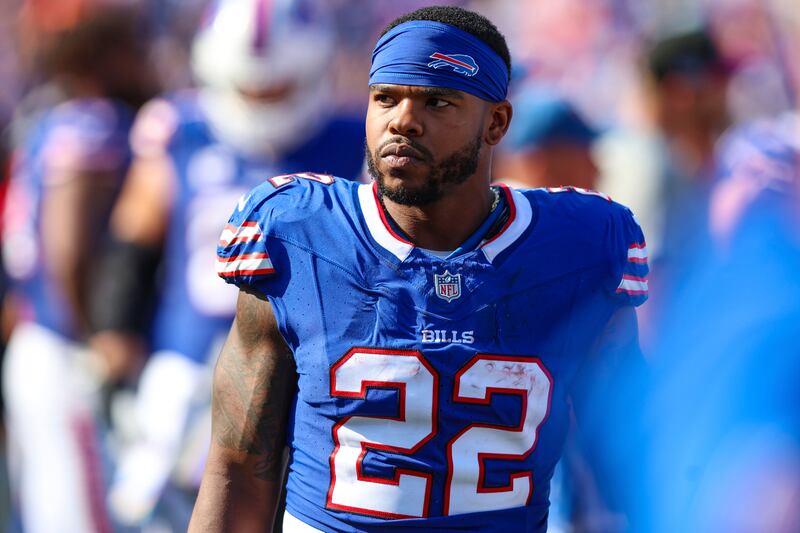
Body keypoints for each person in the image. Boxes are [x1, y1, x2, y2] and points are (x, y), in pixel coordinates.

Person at [190, 6, 649, 532]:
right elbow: (239, 466)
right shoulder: (298, 233)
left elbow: (627, 464)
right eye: (385, 97)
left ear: (496, 122)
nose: (403, 120)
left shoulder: (582, 249)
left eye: (437, 100)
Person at [94, 0, 365, 527]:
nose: (262, 98)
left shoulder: (353, 139)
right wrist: (113, 345)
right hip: (184, 370)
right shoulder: (180, 132)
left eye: (277, 87)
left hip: (304, 383)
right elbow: (131, 249)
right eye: (250, 87)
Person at [1, 5, 156, 532]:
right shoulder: (92, 121)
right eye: (132, 49)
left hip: (39, 337)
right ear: (104, 55)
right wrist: (96, 339)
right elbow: (67, 247)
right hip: (66, 347)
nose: (145, 61)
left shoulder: (50, 115)